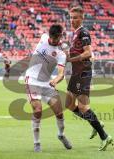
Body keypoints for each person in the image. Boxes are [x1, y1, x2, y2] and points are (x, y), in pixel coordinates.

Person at [65, 6, 113, 151]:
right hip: (76, 73)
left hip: (82, 73)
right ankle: (97, 124)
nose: (72, 20)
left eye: (75, 18)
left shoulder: (84, 33)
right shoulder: (74, 34)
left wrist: (72, 59)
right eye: (71, 17)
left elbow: (88, 53)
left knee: (83, 107)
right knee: (69, 103)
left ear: (82, 18)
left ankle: (105, 136)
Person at [25, 24, 72, 152]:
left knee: (59, 112)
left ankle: (61, 135)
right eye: (52, 38)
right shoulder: (43, 37)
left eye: (56, 39)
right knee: (38, 110)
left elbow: (61, 73)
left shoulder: (61, 53)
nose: (53, 40)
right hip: (32, 80)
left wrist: (55, 80)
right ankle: (37, 143)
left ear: (60, 37)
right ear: (49, 35)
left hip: (47, 83)